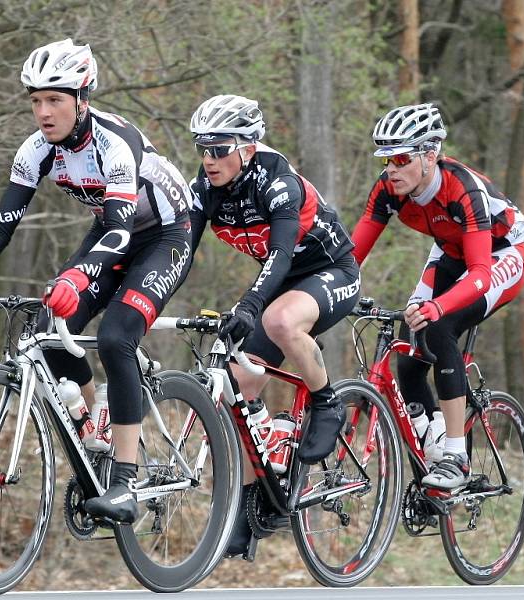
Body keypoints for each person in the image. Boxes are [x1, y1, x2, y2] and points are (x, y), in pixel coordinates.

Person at [0, 39, 193, 523]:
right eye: (36, 100)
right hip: (110, 231)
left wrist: (77, 274)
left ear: (82, 98)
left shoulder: (116, 143)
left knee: (115, 336)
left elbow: (121, 228)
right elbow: (3, 223)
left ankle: (126, 483)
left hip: (164, 234)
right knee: (45, 331)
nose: (43, 112)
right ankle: (95, 430)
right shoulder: (36, 150)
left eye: (55, 100)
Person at [187, 94, 360, 556]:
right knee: (238, 385)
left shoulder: (275, 181)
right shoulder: (203, 190)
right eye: (202, 148)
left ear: (247, 147)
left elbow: (281, 254)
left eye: (219, 148)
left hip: (331, 272)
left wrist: (248, 304)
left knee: (279, 319)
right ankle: (252, 503)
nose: (209, 159)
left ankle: (325, 404)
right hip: (282, 281)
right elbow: (179, 254)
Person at [351, 102, 524, 490]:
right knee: (409, 347)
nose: (391, 170)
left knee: (440, 325)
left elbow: (481, 273)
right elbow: (351, 257)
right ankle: (432, 438)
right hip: (450, 250)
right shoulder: (389, 189)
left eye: (400, 158)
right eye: (385, 160)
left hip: (501, 253)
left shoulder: (461, 188)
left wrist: (438, 306)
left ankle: (457, 455)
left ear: (430, 155)